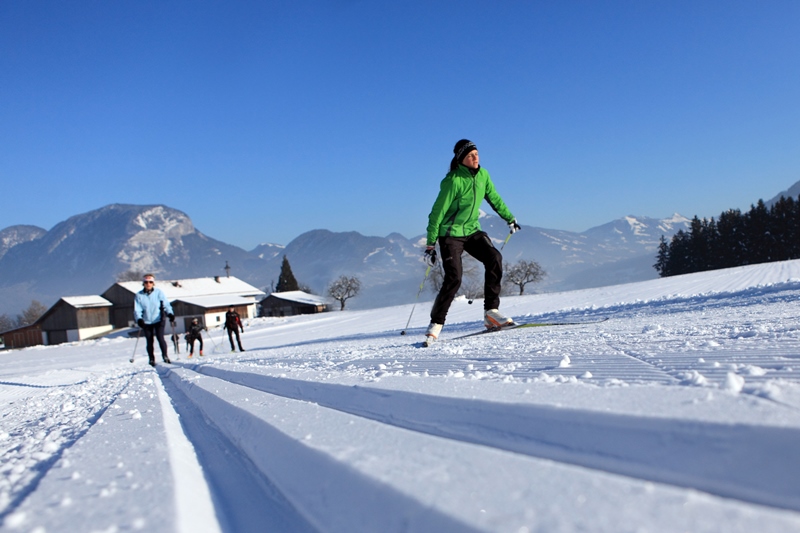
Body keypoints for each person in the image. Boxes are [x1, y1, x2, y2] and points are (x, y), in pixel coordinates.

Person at [423, 139, 521, 345]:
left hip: (472, 230)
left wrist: (510, 218)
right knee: (454, 278)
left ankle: (491, 312)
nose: (475, 158)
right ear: (461, 159)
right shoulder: (453, 181)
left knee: (494, 257)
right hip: (450, 234)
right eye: (470, 155)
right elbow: (437, 212)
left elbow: (495, 198)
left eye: (476, 153)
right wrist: (431, 244)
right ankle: (436, 324)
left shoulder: (483, 175)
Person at [133, 274, 175, 366]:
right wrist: (139, 319)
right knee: (149, 340)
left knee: (160, 338)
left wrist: (170, 313)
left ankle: (165, 356)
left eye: (150, 282)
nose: (148, 284)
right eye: (146, 282)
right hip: (146, 321)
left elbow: (166, 304)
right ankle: (151, 359)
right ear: (143, 283)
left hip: (158, 319)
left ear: (153, 283)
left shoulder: (158, 293)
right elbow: (137, 309)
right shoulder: (139, 295)